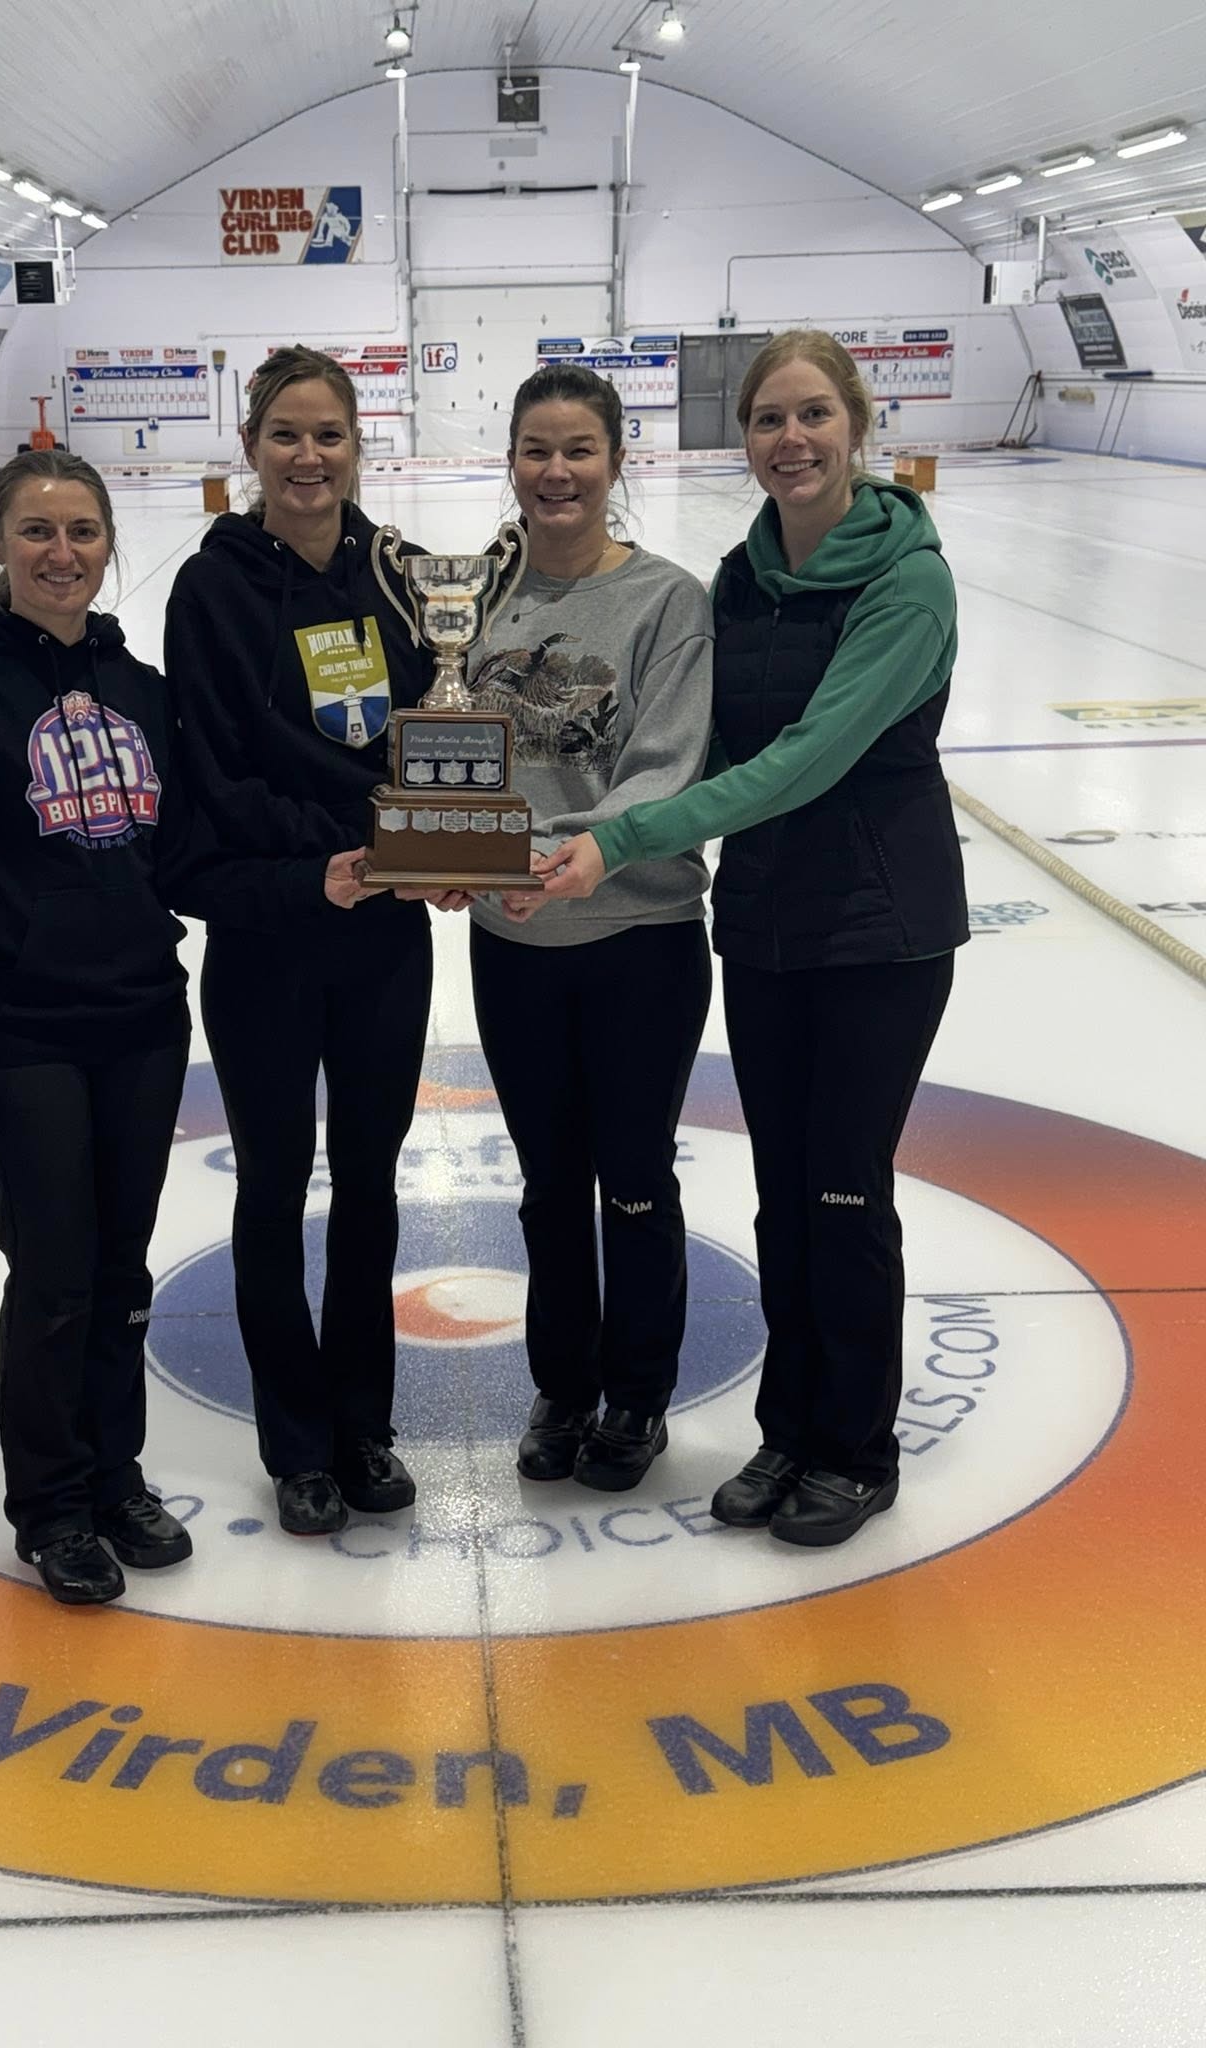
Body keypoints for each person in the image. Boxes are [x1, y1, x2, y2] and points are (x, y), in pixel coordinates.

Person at [541, 329, 968, 1545]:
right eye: (771, 420)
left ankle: (855, 1445)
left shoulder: (908, 581)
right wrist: (554, 817)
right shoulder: (741, 576)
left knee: (844, 1188)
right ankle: (790, 1429)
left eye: (813, 417)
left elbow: (803, 760)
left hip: (880, 928)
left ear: (857, 426)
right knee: (785, 1195)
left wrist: (619, 844)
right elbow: (710, 747)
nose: (791, 440)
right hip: (769, 924)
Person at [0, 450, 195, 1607]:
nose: (61, 553)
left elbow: (188, 851)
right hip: (22, 1034)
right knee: (54, 1271)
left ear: (110, 542)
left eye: (82, 530)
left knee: (121, 1271)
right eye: (36, 531)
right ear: (0, 545)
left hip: (141, 1022)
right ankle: (53, 1505)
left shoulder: (144, 689)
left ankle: (118, 1475)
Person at [163, 345, 436, 1537]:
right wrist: (326, 856)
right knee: (275, 1186)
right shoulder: (211, 587)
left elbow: (440, 731)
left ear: (356, 443)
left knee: (371, 1185)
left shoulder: (405, 577)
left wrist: (426, 842)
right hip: (274, 927)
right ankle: (296, 1440)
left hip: (381, 931)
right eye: (285, 434)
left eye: (328, 434)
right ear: (251, 445)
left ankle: (363, 1422)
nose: (308, 457)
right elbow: (216, 772)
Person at [462, 362, 715, 1492]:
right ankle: (563, 1385)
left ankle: (637, 1394)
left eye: (578, 450)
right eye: (536, 450)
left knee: (636, 1175)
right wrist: (452, 853)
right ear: (511, 462)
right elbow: (454, 758)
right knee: (546, 1180)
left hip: (637, 935)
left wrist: (576, 855)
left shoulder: (667, 600)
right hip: (512, 941)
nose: (556, 472)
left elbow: (665, 764)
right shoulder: (475, 605)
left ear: (618, 462)